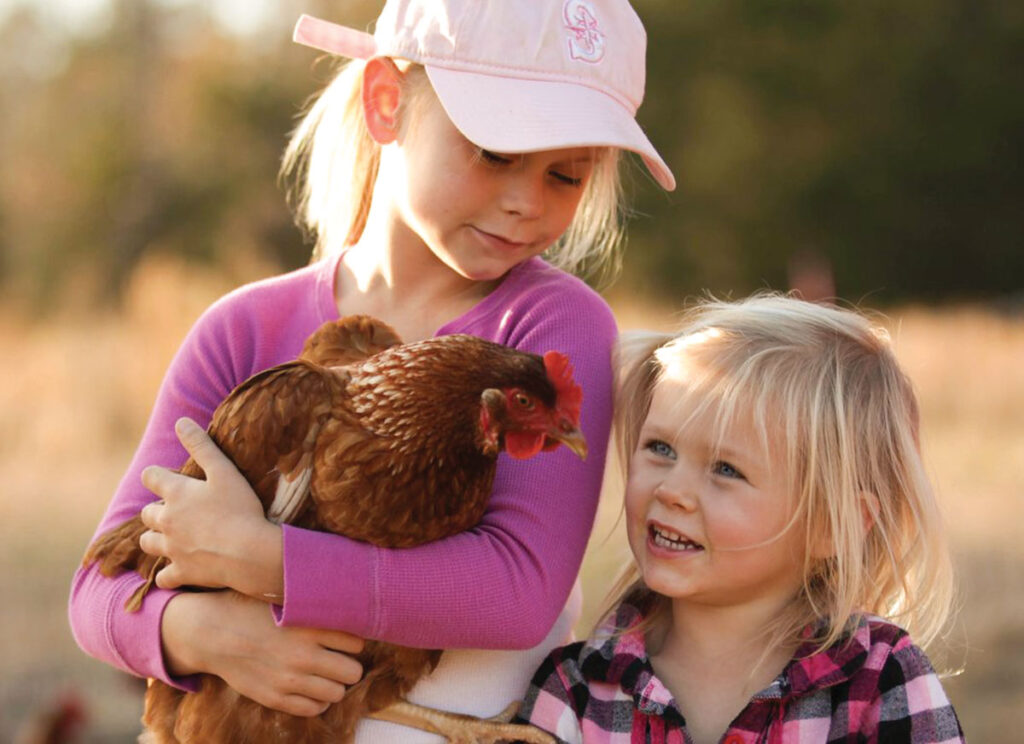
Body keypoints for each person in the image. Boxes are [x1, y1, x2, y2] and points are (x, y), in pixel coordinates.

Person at [68, 0, 675, 740]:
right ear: (387, 101)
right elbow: (100, 588)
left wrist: (271, 564)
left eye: (566, 176)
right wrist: (202, 634)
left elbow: (518, 592)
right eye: (496, 154)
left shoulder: (551, 331)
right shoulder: (245, 329)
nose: (525, 203)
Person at [518, 295, 965, 743]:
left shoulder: (878, 683)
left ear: (833, 525)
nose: (672, 491)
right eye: (660, 448)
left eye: (726, 469)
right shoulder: (578, 687)